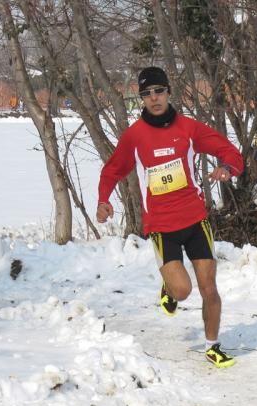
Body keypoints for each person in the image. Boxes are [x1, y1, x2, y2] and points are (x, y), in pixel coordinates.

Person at [96, 66, 243, 369]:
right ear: (141, 99)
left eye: (159, 91)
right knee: (183, 291)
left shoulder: (189, 129)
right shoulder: (134, 136)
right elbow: (112, 170)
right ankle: (169, 286)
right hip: (162, 227)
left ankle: (213, 345)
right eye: (147, 94)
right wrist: (103, 199)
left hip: (195, 219)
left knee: (209, 288)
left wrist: (227, 169)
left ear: (168, 92)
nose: (154, 98)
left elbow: (229, 151)